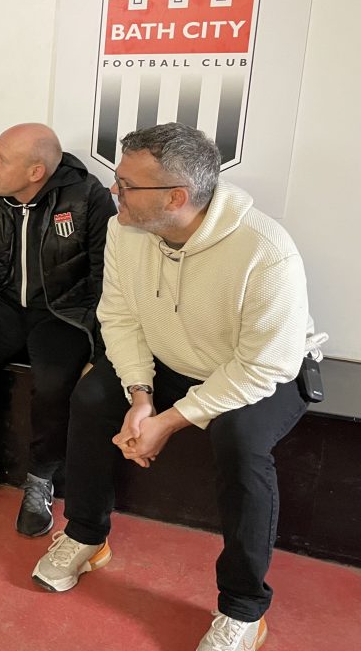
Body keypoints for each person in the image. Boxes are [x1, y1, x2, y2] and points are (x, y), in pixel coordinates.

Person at [31, 123, 310, 651]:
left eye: (127, 184)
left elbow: (262, 367)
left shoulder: (266, 251)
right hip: (168, 359)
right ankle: (87, 535)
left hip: (256, 371)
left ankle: (244, 609)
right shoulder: (124, 229)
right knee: (92, 398)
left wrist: (169, 420)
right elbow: (118, 316)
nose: (114, 192)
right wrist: (140, 395)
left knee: (241, 443)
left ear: (176, 198)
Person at [0, 123, 114, 532]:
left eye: (2, 159)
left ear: (36, 172)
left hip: (62, 312)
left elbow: (105, 279)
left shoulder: (88, 198)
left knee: (54, 382)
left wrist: (97, 347)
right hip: (1, 303)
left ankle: (41, 478)